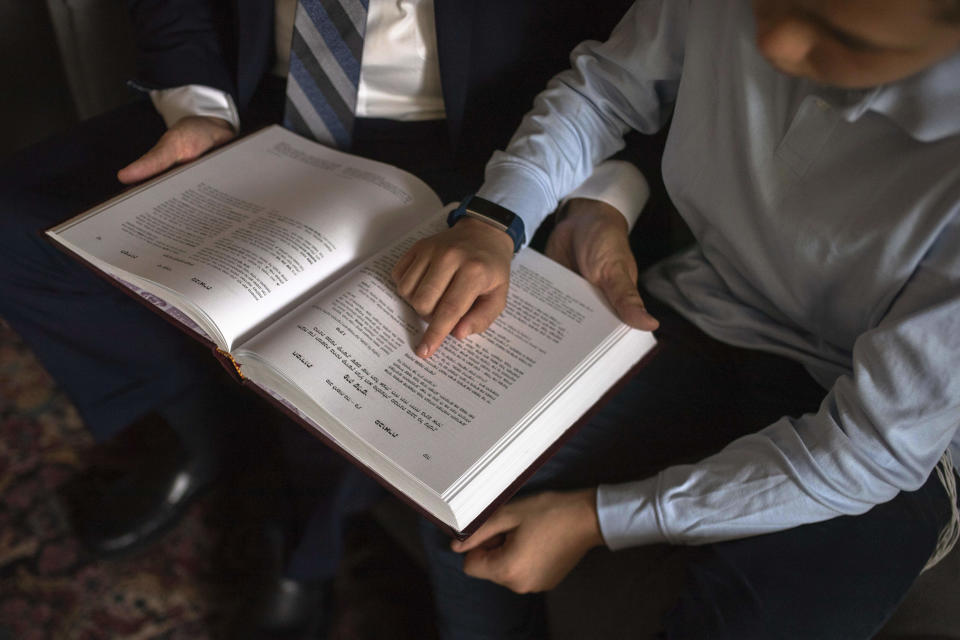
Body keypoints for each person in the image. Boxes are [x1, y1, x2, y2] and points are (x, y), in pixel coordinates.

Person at [0, 0, 647, 635]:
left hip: (480, 140)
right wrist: (196, 104)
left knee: (368, 356)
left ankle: (303, 549)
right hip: (258, 103)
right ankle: (198, 419)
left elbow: (629, 47)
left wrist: (595, 198)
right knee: (19, 230)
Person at [396, 0, 960, 637]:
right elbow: (608, 87)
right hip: (702, 311)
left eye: (843, 36)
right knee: (454, 472)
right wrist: (495, 219)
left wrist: (596, 518)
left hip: (897, 440)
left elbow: (871, 452)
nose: (772, 43)